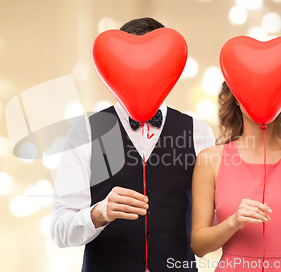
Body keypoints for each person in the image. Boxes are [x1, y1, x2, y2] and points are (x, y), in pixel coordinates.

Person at [50, 17, 216, 272]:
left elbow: (213, 222)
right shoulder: (85, 133)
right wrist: (99, 213)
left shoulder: (199, 133)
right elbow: (60, 231)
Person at [191, 81, 281, 271]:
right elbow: (198, 246)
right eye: (251, 90)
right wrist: (233, 222)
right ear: (236, 100)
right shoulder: (210, 160)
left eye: (269, 91)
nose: (260, 99)